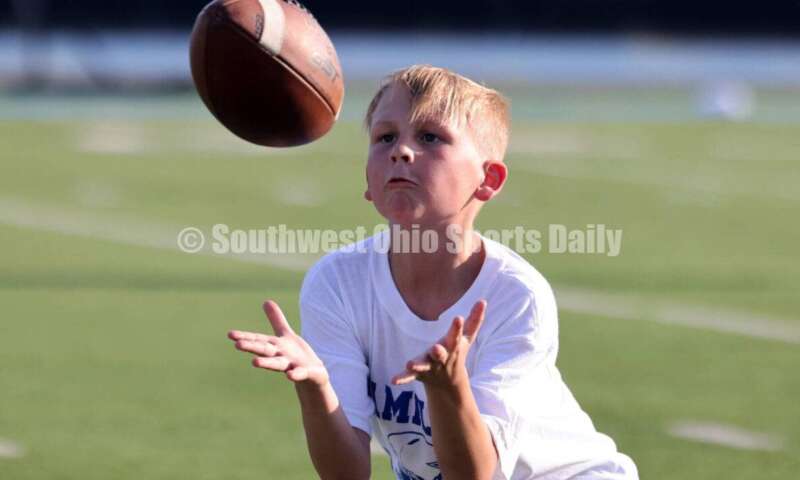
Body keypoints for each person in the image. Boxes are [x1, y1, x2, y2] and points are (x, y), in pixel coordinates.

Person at [228, 65, 638, 480]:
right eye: (385, 137)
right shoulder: (337, 282)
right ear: (369, 181)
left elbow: (475, 475)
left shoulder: (515, 294)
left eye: (430, 137)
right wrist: (316, 388)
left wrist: (449, 388)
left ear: (488, 179)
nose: (401, 151)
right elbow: (347, 473)